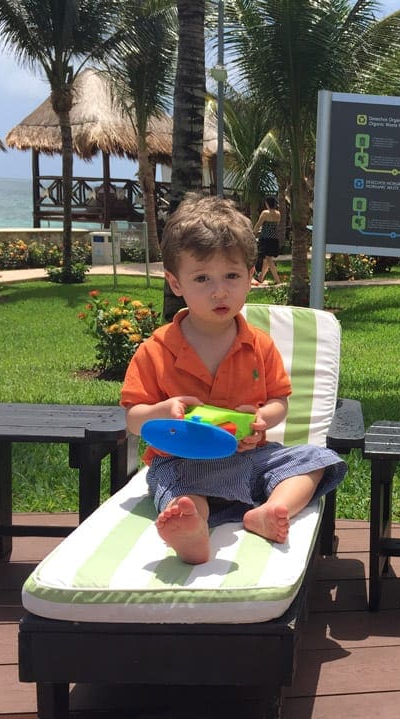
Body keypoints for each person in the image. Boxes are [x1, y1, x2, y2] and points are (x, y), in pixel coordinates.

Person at [120, 194, 346, 564]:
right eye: (202, 278)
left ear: (249, 276)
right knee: (179, 494)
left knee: (316, 458)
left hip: (249, 457)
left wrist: (263, 419)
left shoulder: (258, 345)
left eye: (231, 276)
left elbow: (279, 401)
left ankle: (271, 510)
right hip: (182, 461)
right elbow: (133, 418)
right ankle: (191, 529)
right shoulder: (157, 349)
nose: (219, 290)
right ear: (176, 283)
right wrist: (162, 409)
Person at [252, 196, 282, 286]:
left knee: (268, 259)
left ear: (267, 204)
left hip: (265, 238)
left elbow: (258, 225)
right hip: (274, 239)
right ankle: (261, 278)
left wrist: (253, 234)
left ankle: (278, 280)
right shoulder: (278, 214)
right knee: (266, 259)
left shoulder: (265, 213)